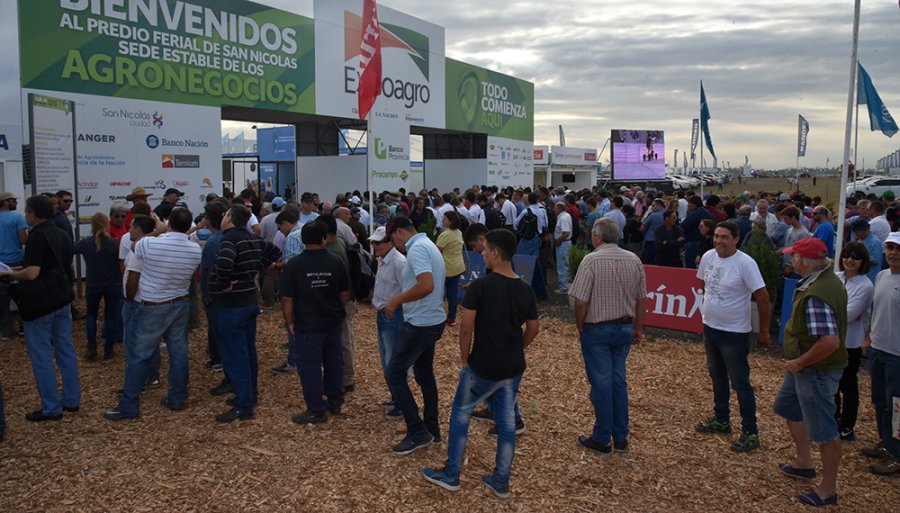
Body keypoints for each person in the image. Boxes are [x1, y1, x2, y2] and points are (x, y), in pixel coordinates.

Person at [422, 229, 539, 498]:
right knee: (507, 421)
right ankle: (501, 479)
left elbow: (466, 328)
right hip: (512, 366)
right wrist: (518, 348)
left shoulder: (481, 286)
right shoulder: (525, 288)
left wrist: (464, 359)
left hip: (483, 365)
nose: (483, 255)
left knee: (461, 413)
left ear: (495, 254)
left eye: (485, 251)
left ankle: (452, 473)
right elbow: (533, 328)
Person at [104, 207, 201, 420]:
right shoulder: (195, 249)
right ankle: (177, 397)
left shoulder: (149, 243)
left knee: (138, 355)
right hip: (180, 303)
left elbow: (135, 247)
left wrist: (159, 230)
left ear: (169, 223)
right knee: (178, 352)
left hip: (152, 304)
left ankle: (129, 404)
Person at [773, 237, 847, 506]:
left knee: (824, 430)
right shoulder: (826, 281)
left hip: (815, 370)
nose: (791, 260)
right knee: (788, 408)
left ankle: (828, 490)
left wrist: (801, 362)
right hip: (806, 367)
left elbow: (829, 341)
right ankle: (804, 462)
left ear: (803, 261)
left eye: (794, 256)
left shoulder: (817, 293)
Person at [570, 218, 646, 455]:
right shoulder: (634, 259)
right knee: (618, 382)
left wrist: (580, 326)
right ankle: (621, 437)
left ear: (598, 237)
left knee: (602, 385)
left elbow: (580, 302)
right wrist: (637, 328)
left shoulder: (591, 260)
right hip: (624, 327)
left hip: (597, 328)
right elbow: (641, 298)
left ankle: (602, 438)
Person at [1, 195, 79, 422]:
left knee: (41, 355)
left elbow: (33, 272)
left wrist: (11, 274)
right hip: (62, 298)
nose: (25, 216)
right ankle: (72, 399)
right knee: (65, 349)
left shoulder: (37, 236)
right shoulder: (62, 233)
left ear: (34, 214)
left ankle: (51, 408)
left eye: (27, 212)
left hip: (41, 303)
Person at [695, 221, 771, 452]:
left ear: (736, 239)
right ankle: (721, 419)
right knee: (717, 376)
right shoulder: (708, 257)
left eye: (725, 237)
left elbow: (762, 296)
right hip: (711, 327)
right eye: (717, 236)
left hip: (735, 332)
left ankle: (750, 432)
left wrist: (764, 330)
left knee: (740, 383)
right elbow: (703, 283)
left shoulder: (745, 263)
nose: (719, 241)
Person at [383, 218, 446, 454]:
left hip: (420, 323)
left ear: (400, 232)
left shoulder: (417, 248)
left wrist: (395, 301)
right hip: (432, 320)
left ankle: (418, 431)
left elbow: (426, 285)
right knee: (424, 374)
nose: (394, 244)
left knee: (394, 373)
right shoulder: (428, 244)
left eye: (393, 239)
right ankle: (432, 428)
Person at [211, 206, 281, 423]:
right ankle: (250, 395)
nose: (223, 217)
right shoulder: (252, 238)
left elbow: (224, 263)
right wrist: (253, 271)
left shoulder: (229, 239)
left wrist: (224, 283)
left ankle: (243, 405)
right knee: (248, 351)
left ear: (230, 219)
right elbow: (275, 252)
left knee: (235, 354)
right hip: (249, 301)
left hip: (232, 304)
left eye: (225, 214)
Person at [280, 221, 349, 424]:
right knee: (333, 362)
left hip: (307, 324)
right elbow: (344, 292)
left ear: (303, 241)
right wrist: (336, 308)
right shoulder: (336, 262)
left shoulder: (294, 265)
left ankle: (316, 409)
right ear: (324, 239)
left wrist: (289, 321)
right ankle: (335, 401)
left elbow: (286, 298)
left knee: (309, 367)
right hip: (332, 320)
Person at [861, 231, 900, 475]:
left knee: (896, 405)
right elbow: (876, 310)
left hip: (897, 354)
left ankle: (897, 454)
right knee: (880, 401)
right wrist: (868, 337)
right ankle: (886, 442)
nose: (893, 253)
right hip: (879, 348)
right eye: (890, 248)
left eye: (898, 249)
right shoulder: (882, 276)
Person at [834, 242, 874, 442]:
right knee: (832, 382)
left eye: (855, 257)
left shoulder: (865, 286)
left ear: (862, 261)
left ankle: (847, 425)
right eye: (847, 256)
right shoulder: (836, 277)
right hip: (832, 339)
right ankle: (833, 419)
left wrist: (835, 310)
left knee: (848, 384)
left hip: (851, 342)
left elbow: (849, 314)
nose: (849, 260)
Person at [370, 225, 407, 418]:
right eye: (373, 243)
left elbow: (407, 290)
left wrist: (393, 307)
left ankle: (402, 403)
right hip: (383, 314)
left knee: (394, 362)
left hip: (394, 315)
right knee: (386, 361)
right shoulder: (382, 260)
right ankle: (396, 397)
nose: (375, 246)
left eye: (379, 242)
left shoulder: (399, 262)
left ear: (390, 242)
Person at [74, 212, 122, 361]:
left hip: (93, 284)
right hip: (113, 283)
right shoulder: (114, 243)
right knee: (110, 316)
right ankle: (108, 349)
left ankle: (92, 348)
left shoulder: (85, 243)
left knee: (91, 315)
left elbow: (70, 249)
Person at [0, 191, 27, 340]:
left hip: (0, 265)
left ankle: (6, 332)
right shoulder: (17, 217)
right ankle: (24, 328)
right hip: (16, 262)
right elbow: (23, 239)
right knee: (22, 298)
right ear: (6, 202)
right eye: (14, 201)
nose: (16, 203)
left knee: (2, 301)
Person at [436, 211, 465, 326]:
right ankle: (451, 318)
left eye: (445, 219)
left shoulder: (445, 235)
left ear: (451, 221)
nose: (443, 221)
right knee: (453, 295)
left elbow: (437, 251)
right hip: (457, 267)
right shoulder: (459, 232)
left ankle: (437, 317)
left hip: (445, 268)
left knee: (439, 294)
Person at [850, 219, 883, 285]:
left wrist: (859, 260)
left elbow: (875, 261)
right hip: (860, 276)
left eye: (857, 231)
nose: (855, 233)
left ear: (865, 230)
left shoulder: (875, 242)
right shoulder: (860, 241)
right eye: (854, 231)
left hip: (870, 277)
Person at [553, 202, 573, 293]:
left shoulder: (563, 218)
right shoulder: (566, 215)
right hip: (566, 243)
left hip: (563, 243)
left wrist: (559, 240)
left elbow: (566, 232)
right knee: (566, 264)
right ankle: (566, 284)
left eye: (555, 208)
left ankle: (563, 287)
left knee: (562, 265)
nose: (554, 210)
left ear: (558, 209)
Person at [639, 198, 666, 264]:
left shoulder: (653, 215)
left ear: (659, 206)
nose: (652, 208)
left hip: (651, 241)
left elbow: (642, 228)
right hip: (663, 242)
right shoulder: (667, 215)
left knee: (645, 261)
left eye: (653, 206)